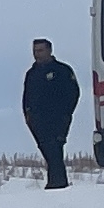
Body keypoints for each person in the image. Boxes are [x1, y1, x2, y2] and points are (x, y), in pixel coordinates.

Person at [22, 37, 80, 190]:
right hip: (37, 120)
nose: (37, 54)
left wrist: (66, 113)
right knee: (47, 149)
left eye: (40, 50)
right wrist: (28, 116)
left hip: (58, 118)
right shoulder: (31, 74)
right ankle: (57, 182)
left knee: (55, 148)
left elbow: (73, 93)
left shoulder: (62, 70)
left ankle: (58, 183)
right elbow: (26, 97)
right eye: (35, 51)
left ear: (49, 50)